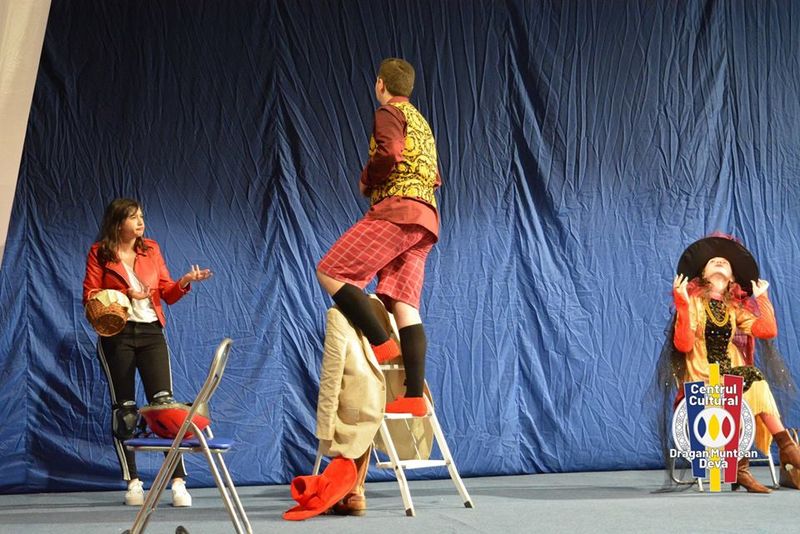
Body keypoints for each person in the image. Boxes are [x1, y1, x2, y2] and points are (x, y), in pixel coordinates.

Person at [316, 57, 441, 420]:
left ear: (381, 84)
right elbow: (434, 176)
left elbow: (390, 152)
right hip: (427, 218)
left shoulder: (390, 112)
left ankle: (381, 342)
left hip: (399, 209)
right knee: (404, 304)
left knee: (331, 271)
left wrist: (369, 179)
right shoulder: (422, 122)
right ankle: (414, 395)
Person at [82, 198, 212, 506]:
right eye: (133, 217)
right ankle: (134, 482)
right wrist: (125, 293)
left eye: (141, 216)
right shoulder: (100, 253)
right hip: (117, 335)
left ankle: (178, 482)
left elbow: (167, 292)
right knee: (125, 411)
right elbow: (89, 295)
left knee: (165, 407)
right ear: (118, 224)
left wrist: (184, 281)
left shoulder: (150, 249)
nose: (141, 222)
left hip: (152, 332)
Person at [670, 234, 800, 492]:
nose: (719, 261)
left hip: (733, 375)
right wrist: (682, 303)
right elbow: (683, 345)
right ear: (702, 274)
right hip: (703, 378)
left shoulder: (733, 308)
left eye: (725, 262)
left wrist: (762, 298)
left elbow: (767, 330)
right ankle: (778, 453)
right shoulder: (694, 303)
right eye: (713, 261)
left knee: (753, 381)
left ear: (732, 278)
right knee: (746, 382)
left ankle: (771, 454)